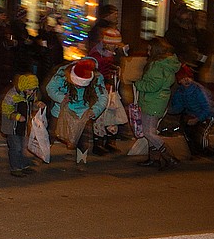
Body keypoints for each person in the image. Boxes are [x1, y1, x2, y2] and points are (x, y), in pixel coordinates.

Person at [46, 57, 108, 167]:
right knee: (52, 133)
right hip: (61, 110)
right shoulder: (62, 73)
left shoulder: (97, 78)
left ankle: (81, 161)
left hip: (83, 112)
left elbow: (103, 97)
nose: (79, 86)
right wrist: (62, 98)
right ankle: (43, 155)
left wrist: (95, 110)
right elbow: (50, 88)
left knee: (83, 138)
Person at [132, 37, 182, 170]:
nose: (148, 52)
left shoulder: (156, 65)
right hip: (159, 100)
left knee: (149, 132)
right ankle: (154, 158)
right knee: (151, 130)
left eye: (149, 49)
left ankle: (169, 157)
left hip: (152, 101)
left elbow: (153, 85)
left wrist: (138, 84)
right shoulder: (167, 64)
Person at [89, 26, 130, 155]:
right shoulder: (96, 54)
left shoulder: (112, 54)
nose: (115, 48)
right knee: (100, 116)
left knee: (112, 114)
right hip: (100, 88)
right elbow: (94, 71)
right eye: (113, 45)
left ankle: (110, 141)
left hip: (112, 88)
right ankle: (98, 142)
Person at [169, 64, 214, 158]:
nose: (186, 80)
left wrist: (198, 119)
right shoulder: (180, 92)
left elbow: (207, 108)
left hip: (208, 115)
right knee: (187, 131)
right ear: (179, 81)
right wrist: (167, 111)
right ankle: (195, 152)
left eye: (188, 77)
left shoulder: (198, 90)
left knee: (202, 133)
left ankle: (207, 150)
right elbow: (178, 106)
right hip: (193, 115)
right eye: (183, 78)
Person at [0, 69, 39, 178]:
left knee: (22, 147)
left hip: (22, 127)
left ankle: (23, 165)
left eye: (33, 90)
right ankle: (15, 168)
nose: (32, 92)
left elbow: (30, 107)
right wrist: (16, 116)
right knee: (16, 147)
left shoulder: (28, 96)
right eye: (30, 89)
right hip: (12, 127)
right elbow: (6, 109)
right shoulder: (12, 95)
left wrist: (37, 105)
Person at [34, 13, 65, 85]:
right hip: (48, 66)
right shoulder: (45, 37)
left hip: (49, 66)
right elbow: (43, 52)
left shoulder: (49, 36)